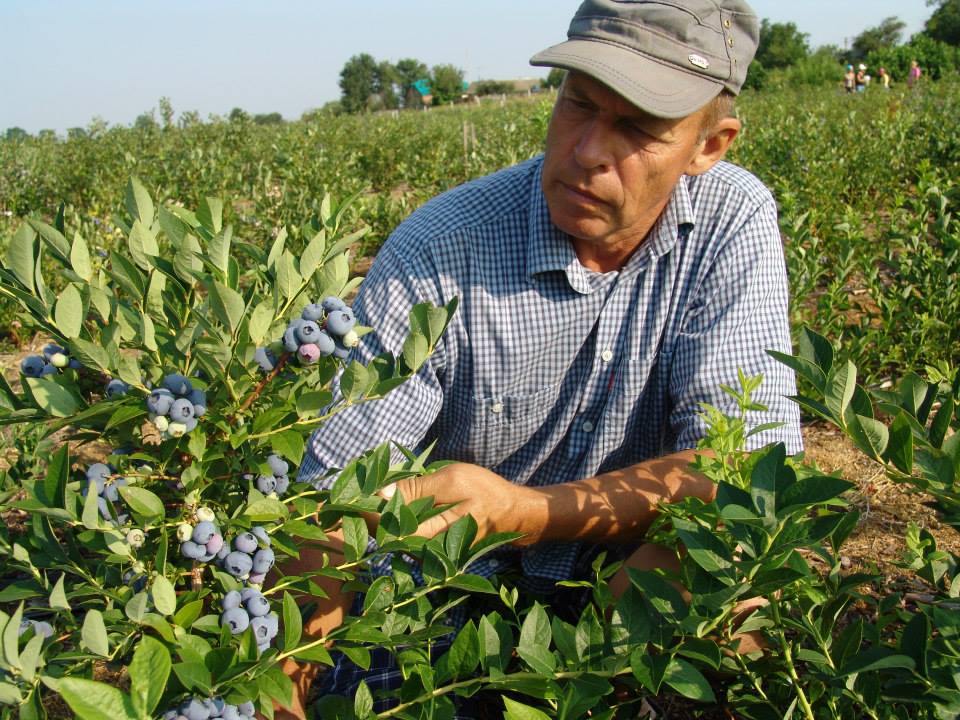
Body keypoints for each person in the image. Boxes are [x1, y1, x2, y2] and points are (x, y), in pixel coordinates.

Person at [271, 0, 803, 716]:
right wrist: (286, 681)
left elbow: (748, 472)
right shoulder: (443, 247)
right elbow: (330, 505)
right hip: (454, 573)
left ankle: (634, 696)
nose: (589, 151)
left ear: (709, 146)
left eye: (638, 129)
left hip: (618, 558)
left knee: (729, 568)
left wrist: (526, 511)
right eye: (578, 105)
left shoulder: (730, 220)